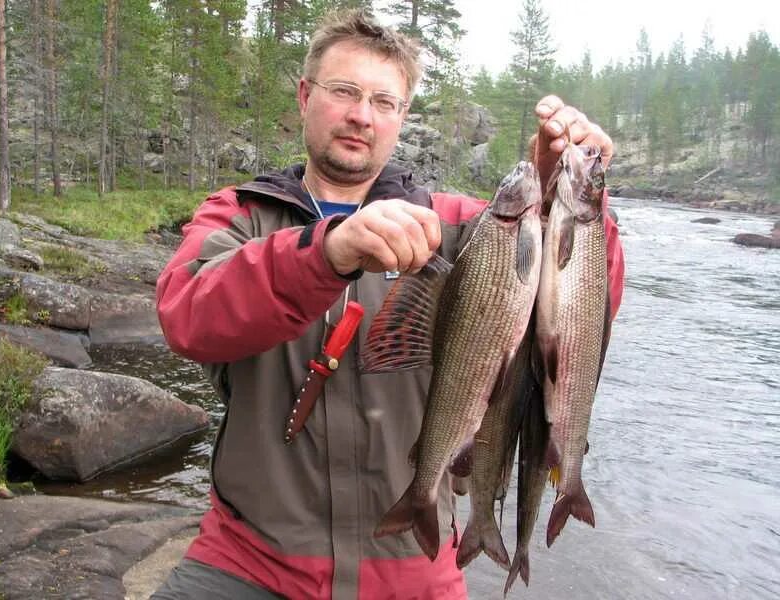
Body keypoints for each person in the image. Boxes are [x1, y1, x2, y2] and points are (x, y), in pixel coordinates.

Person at [153, 10, 624, 600]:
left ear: (402, 117)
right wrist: (325, 252)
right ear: (305, 96)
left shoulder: (463, 224)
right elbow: (187, 316)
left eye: (384, 100)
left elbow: (579, 312)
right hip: (246, 563)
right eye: (344, 92)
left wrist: (567, 203)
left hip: (414, 572)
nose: (361, 115)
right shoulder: (241, 215)